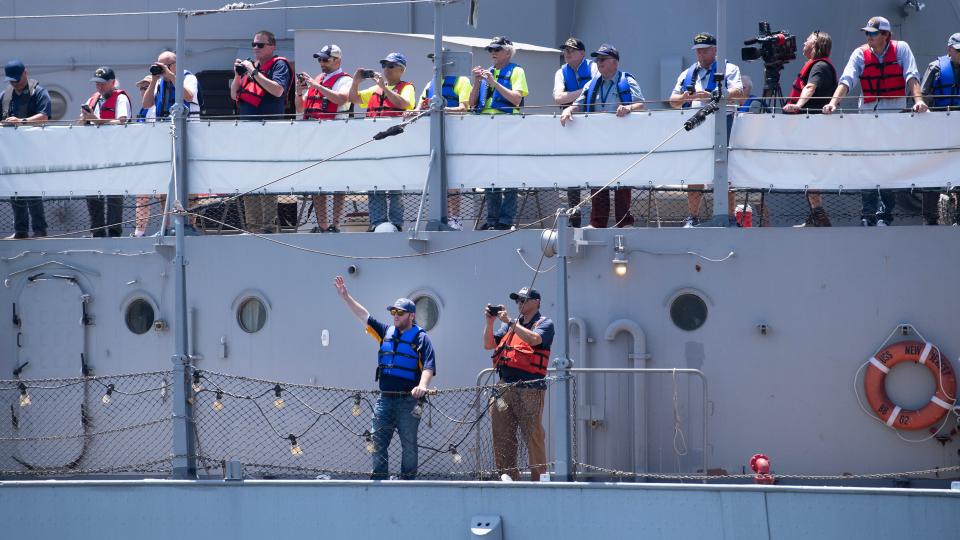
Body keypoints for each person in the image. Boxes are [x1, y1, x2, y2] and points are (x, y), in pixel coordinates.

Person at [823, 16, 928, 226]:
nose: (868, 36)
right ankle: (868, 214)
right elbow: (847, 79)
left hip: (894, 118)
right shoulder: (860, 54)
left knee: (888, 166)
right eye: (867, 33)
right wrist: (834, 103)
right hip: (869, 118)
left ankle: (884, 214)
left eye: (872, 33)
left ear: (886, 35)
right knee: (868, 164)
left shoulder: (901, 49)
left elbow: (911, 76)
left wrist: (919, 101)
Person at [333, 275, 435, 480]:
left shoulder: (421, 338)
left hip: (408, 401)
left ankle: (408, 482)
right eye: (393, 312)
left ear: (411, 316)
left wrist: (422, 386)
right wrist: (346, 297)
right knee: (377, 440)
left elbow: (429, 366)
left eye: (400, 312)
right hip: (385, 399)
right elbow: (364, 316)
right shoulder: (385, 332)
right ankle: (380, 480)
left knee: (409, 445)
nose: (395, 315)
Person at [560, 44, 644, 228]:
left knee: (622, 181)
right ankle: (598, 223)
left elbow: (641, 104)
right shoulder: (592, 84)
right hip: (597, 142)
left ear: (615, 62)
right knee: (598, 181)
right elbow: (579, 104)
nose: (599, 63)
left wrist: (628, 108)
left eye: (603, 59)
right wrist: (568, 109)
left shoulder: (627, 81)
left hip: (622, 141)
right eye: (598, 59)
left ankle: (624, 222)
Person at [668, 32, 744, 227]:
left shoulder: (730, 69)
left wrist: (713, 94)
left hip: (723, 122)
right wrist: (686, 97)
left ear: (715, 50)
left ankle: (729, 216)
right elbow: (672, 101)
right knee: (695, 171)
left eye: (705, 50)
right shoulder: (687, 74)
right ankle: (693, 216)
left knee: (726, 171)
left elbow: (739, 93)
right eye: (698, 51)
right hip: (697, 126)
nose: (701, 54)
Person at [482, 287, 553, 481]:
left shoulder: (544, 323)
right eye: (518, 300)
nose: (520, 303)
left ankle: (539, 480)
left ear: (536, 302)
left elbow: (535, 339)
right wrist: (490, 323)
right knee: (502, 435)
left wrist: (511, 322)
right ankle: (507, 478)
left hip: (530, 389)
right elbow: (489, 344)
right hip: (504, 387)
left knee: (533, 436)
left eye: (524, 299)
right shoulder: (508, 326)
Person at [231, 30, 293, 234]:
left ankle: (267, 226)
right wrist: (238, 75)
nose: (256, 48)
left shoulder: (278, 65)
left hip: (269, 132)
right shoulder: (251, 68)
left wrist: (254, 73)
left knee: (266, 177)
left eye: (260, 45)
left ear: (272, 46)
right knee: (250, 178)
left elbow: (277, 90)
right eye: (254, 44)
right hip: (248, 133)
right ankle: (252, 226)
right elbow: (234, 95)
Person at [349, 52, 415, 231]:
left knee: (395, 185)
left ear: (401, 69)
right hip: (375, 144)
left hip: (395, 144)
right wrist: (355, 82)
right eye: (384, 65)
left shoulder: (406, 87)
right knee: (374, 183)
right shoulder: (375, 89)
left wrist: (385, 88)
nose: (386, 69)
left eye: (391, 66)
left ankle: (396, 223)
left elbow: (405, 104)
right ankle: (377, 222)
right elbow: (354, 99)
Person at [469, 36, 529, 231]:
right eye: (490, 50)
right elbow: (471, 103)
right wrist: (477, 82)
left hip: (507, 127)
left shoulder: (516, 70)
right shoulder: (489, 73)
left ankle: (506, 219)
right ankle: (492, 218)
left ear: (508, 52)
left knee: (509, 173)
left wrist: (494, 83)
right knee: (489, 174)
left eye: (497, 49)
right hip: (486, 127)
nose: (492, 53)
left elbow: (516, 99)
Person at [782, 31, 838, 227]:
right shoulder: (817, 65)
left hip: (813, 127)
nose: (803, 42)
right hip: (809, 127)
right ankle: (816, 213)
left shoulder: (820, 66)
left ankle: (818, 212)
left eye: (807, 40)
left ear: (815, 46)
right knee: (807, 171)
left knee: (810, 170)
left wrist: (798, 105)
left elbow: (810, 87)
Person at [296, 44, 353, 233]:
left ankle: (335, 225)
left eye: (326, 59)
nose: (322, 63)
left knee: (338, 183)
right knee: (317, 182)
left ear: (338, 60)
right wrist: (299, 91)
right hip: (315, 137)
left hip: (336, 136)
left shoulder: (345, 80)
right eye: (320, 59)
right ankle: (322, 225)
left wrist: (316, 85)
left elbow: (342, 99)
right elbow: (300, 108)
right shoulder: (317, 80)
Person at [414, 50, 473, 230]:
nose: (436, 64)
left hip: (455, 135)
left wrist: (441, 111)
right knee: (436, 179)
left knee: (452, 180)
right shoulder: (430, 84)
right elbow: (419, 107)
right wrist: (416, 112)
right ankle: (438, 216)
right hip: (433, 136)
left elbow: (464, 107)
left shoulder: (461, 81)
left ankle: (455, 218)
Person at [1, 60, 50, 239]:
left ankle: (39, 229)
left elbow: (44, 116)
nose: (14, 83)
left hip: (32, 151)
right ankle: (21, 230)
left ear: (25, 73)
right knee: (15, 191)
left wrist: (21, 121)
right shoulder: (5, 96)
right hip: (11, 152)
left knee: (32, 190)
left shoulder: (39, 92)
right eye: (11, 81)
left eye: (17, 79)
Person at [553, 37, 597, 228]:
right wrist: (585, 91)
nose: (567, 53)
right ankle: (575, 217)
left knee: (596, 172)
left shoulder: (594, 67)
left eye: (572, 50)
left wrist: (573, 97)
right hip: (571, 124)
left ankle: (597, 218)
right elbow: (558, 98)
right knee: (572, 171)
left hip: (594, 124)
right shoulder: (561, 72)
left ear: (582, 53)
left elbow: (598, 87)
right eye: (565, 50)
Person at [82, 66, 131, 237]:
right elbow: (84, 122)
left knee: (114, 193)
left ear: (112, 82)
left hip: (115, 154)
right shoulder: (94, 99)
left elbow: (122, 122)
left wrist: (96, 120)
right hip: (94, 154)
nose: (99, 87)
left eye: (102, 84)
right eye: (97, 83)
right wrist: (84, 119)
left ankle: (114, 231)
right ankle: (97, 231)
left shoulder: (121, 99)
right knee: (92, 192)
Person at [918, 32, 960, 225]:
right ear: (949, 50)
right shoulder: (936, 68)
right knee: (932, 172)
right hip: (937, 129)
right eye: (958, 50)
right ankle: (930, 217)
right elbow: (923, 94)